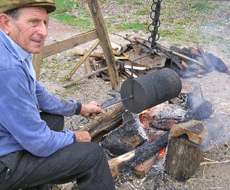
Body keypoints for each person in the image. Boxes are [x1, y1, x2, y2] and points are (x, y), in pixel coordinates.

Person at [0, 0, 115, 189]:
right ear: (5, 23)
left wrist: (80, 108)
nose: (44, 32)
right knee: (92, 156)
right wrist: (75, 137)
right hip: (4, 164)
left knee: (53, 119)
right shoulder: (7, 69)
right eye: (34, 22)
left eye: (44, 22)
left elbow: (40, 96)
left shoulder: (11, 47)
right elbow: (39, 141)